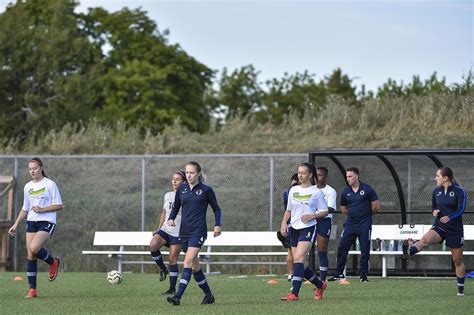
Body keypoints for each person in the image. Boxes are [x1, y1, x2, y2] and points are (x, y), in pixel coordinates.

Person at [402, 167, 467, 296]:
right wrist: (434, 211)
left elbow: (461, 209)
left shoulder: (459, 191)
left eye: (437, 176)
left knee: (457, 261)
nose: (435, 178)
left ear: (445, 177)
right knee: (424, 240)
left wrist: (450, 217)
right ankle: (408, 252)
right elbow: (433, 207)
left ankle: (460, 288)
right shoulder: (436, 191)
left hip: (455, 229)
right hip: (439, 227)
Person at [166, 161, 222, 306]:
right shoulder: (182, 189)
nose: (189, 175)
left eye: (191, 172)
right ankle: (209, 296)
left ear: (198, 174)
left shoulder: (206, 190)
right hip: (184, 232)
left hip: (198, 231)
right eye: (187, 172)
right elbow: (176, 207)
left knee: (187, 262)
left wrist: (217, 224)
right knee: (194, 266)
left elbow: (216, 208)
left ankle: (177, 296)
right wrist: (171, 218)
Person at [8, 158, 63, 298]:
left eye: (35, 168)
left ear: (41, 168)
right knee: (30, 254)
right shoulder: (28, 187)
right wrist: (15, 224)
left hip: (47, 221)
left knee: (33, 248)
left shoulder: (50, 184)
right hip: (32, 222)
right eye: (30, 168)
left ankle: (53, 262)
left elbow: (59, 205)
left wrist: (42, 209)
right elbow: (25, 209)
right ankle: (32, 290)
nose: (32, 170)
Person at [280, 163, 328, 301]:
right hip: (294, 228)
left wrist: (313, 216)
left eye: (303, 173)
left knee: (299, 258)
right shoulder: (293, 190)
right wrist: (284, 223)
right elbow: (288, 210)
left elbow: (324, 211)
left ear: (310, 175)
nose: (300, 175)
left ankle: (294, 294)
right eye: (299, 172)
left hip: (308, 227)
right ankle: (320, 285)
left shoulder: (316, 192)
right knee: (299, 263)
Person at [329, 167, 380, 282]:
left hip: (364, 224)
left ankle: (363, 275)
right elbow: (343, 209)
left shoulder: (367, 189)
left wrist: (365, 214)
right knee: (342, 248)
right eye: (347, 176)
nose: (348, 179)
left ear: (357, 176)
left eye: (350, 176)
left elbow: (376, 206)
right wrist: (354, 215)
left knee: (364, 250)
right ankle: (339, 274)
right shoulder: (346, 191)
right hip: (350, 224)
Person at [149, 171, 186, 295]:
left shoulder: (187, 196)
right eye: (173, 179)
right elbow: (164, 213)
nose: (174, 181)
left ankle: (172, 288)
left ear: (184, 182)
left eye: (178, 179)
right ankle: (162, 269)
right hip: (165, 230)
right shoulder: (168, 195)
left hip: (178, 233)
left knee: (172, 260)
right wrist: (158, 229)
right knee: (153, 245)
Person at [315, 166, 337, 282]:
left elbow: (330, 208)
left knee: (322, 251)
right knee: (303, 250)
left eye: (320, 175)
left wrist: (316, 213)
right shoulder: (311, 189)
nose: (318, 177)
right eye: (316, 175)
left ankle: (322, 281)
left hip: (324, 221)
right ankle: (301, 277)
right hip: (310, 220)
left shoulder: (330, 191)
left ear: (325, 177)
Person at [277, 173, 299, 281]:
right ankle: (292, 274)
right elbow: (288, 209)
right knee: (292, 250)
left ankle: (294, 274)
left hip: (296, 223)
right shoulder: (289, 193)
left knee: (296, 251)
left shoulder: (289, 192)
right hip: (293, 223)